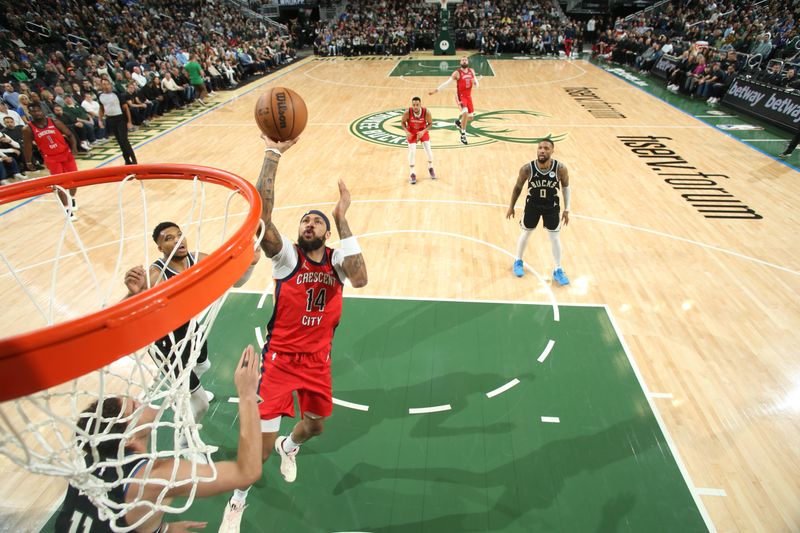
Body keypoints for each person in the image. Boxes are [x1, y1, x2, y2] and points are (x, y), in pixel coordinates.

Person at [218, 135, 368, 532]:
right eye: (305, 220)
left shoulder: (338, 261)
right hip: (280, 363)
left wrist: (341, 216)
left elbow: (362, 278)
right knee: (259, 453)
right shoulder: (287, 258)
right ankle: (237, 500)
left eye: (316, 221)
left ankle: (292, 445)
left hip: (318, 362)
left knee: (316, 425)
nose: (308, 224)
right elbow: (262, 219)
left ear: (326, 232)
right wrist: (273, 154)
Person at [53, 345, 263, 533]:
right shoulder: (154, 478)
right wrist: (246, 394)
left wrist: (163, 529)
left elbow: (114, 517)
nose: (142, 402)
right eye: (135, 407)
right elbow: (247, 472)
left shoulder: (91, 459)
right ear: (128, 438)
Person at [123, 222, 261, 434]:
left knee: (203, 365)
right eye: (169, 238)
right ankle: (187, 437)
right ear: (160, 248)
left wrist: (250, 263)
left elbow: (237, 282)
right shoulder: (154, 275)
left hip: (189, 329)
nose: (178, 240)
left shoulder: (197, 259)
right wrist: (135, 293)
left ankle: (184, 390)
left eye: (179, 235)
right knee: (202, 404)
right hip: (165, 342)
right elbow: (126, 313)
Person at [506, 139, 571, 286]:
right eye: (540, 148)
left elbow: (566, 187)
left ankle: (558, 270)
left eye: (546, 148)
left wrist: (567, 209)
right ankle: (518, 261)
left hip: (551, 206)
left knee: (554, 237)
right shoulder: (527, 169)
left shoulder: (560, 168)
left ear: (552, 151)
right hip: (532, 205)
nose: (542, 150)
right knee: (526, 233)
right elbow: (517, 187)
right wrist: (511, 206)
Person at [22, 102, 79, 219]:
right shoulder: (28, 129)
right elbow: (27, 146)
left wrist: (74, 148)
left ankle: (72, 198)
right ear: (29, 113)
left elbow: (70, 135)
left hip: (66, 154)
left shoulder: (54, 122)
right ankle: (67, 209)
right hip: (52, 159)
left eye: (38, 110)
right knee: (59, 184)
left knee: (74, 180)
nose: (36, 113)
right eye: (33, 111)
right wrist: (28, 161)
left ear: (42, 110)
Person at [429, 56, 479, 145]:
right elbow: (446, 83)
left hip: (468, 96)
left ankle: (458, 122)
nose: (464, 61)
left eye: (465, 60)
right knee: (465, 113)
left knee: (470, 117)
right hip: (461, 96)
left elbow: (476, 82)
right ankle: (463, 135)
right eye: (462, 60)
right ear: (460, 63)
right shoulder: (457, 73)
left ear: (467, 62)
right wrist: (436, 90)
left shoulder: (472, 71)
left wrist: (476, 83)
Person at [98, 78, 138, 165]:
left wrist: (129, 121)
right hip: (110, 119)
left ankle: (134, 160)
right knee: (120, 141)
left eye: (107, 84)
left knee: (124, 140)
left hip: (120, 119)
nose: (106, 86)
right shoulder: (100, 96)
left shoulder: (117, 94)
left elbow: (126, 108)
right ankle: (127, 160)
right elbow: (101, 108)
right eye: (104, 84)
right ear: (101, 86)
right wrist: (100, 120)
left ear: (110, 85)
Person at [400, 96, 434, 184]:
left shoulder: (426, 112)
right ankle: (412, 173)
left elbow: (430, 124)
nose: (415, 107)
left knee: (429, 153)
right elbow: (402, 123)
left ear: (420, 105)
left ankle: (430, 167)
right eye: (414, 105)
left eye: (417, 105)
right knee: (412, 152)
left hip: (422, 131)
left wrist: (423, 131)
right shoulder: (408, 112)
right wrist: (407, 132)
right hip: (412, 132)